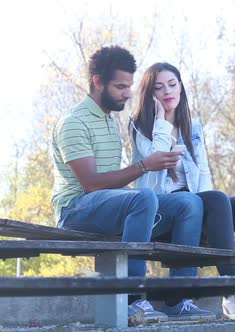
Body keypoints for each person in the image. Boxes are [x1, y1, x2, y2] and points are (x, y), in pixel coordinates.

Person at [51, 46, 215, 323]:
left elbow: (113, 187)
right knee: (144, 197)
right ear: (98, 82)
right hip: (74, 210)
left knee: (190, 202)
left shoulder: (109, 122)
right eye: (120, 86)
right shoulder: (74, 122)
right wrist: (144, 166)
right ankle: (134, 298)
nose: (127, 93)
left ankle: (179, 298)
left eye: (129, 86)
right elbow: (90, 185)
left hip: (107, 206)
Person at [130, 62, 235, 320]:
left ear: (181, 87)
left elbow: (203, 174)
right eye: (158, 88)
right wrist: (161, 121)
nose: (167, 91)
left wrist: (210, 213)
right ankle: (233, 293)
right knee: (213, 199)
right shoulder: (139, 127)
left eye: (172, 84)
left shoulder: (194, 127)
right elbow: (155, 166)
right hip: (162, 212)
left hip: (196, 209)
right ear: (150, 95)